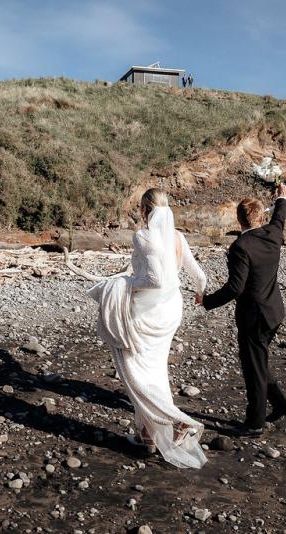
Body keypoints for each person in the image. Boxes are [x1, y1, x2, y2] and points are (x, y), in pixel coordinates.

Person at [88, 188, 208, 468]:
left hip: (148, 313)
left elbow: (154, 280)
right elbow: (199, 276)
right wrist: (200, 294)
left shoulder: (143, 236)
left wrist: (123, 283)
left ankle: (176, 422)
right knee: (155, 371)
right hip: (171, 311)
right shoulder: (178, 237)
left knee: (135, 371)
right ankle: (147, 436)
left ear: (144, 209)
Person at [196, 183, 286, 437]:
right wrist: (282, 196)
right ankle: (282, 406)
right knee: (258, 361)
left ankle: (255, 423)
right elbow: (281, 214)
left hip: (254, 317)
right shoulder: (273, 234)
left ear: (239, 219)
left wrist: (206, 301)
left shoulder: (240, 247)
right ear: (261, 217)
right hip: (274, 312)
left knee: (253, 368)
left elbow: (235, 288)